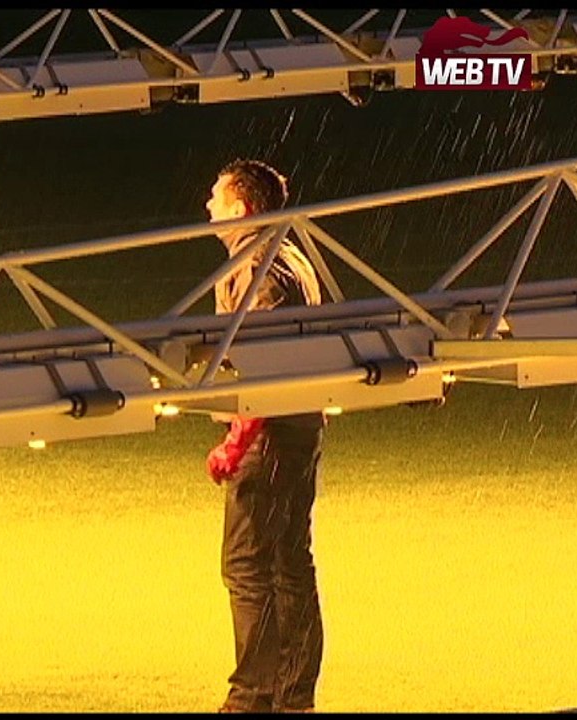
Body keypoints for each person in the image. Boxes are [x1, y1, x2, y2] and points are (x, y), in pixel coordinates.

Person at [201, 159, 325, 714]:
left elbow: (263, 363)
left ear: (242, 207)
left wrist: (236, 439)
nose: (207, 207)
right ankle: (290, 695)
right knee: (289, 562)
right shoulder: (294, 255)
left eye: (216, 198)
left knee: (250, 565)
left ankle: (256, 695)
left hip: (269, 435)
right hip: (298, 428)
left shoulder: (257, 265)